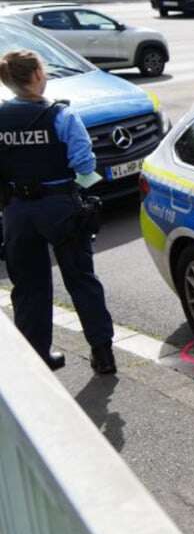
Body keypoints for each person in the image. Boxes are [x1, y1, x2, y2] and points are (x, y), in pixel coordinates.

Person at [0, 50, 115, 374]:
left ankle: (38, 359)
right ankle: (103, 354)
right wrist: (76, 190)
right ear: (37, 75)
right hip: (60, 207)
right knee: (81, 280)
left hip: (17, 211)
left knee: (29, 287)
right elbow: (85, 164)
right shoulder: (61, 116)